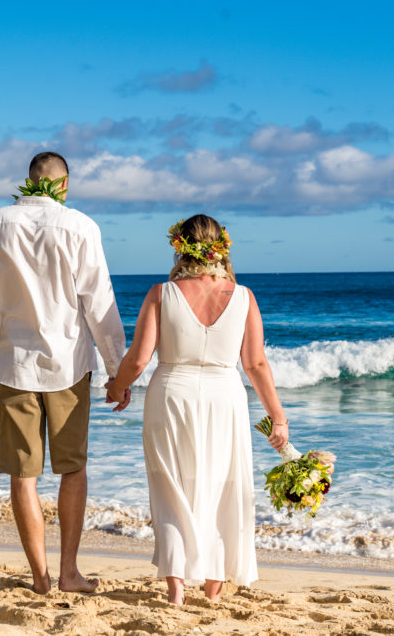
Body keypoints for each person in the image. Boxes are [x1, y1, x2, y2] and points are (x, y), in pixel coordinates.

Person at [106, 214, 289, 605]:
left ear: (180, 246)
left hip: (171, 393)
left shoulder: (162, 293)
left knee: (172, 487)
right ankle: (213, 589)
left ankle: (175, 589)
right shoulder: (243, 296)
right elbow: (255, 364)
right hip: (225, 398)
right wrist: (278, 416)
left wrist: (118, 385)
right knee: (222, 487)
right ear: (222, 246)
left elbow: (139, 359)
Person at [0, 151, 130, 595]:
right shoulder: (81, 226)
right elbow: (98, 302)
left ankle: (40, 578)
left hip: (13, 364)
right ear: (63, 185)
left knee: (23, 475)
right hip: (68, 365)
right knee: (72, 469)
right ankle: (69, 573)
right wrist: (117, 370)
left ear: (29, 181)